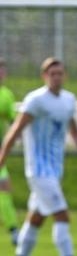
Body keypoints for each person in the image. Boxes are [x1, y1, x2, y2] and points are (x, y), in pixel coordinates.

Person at [0, 57, 77, 256]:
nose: (56, 77)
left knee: (36, 218)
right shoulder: (35, 100)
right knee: (62, 216)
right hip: (38, 171)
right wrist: (1, 160)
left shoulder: (68, 100)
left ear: (65, 75)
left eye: (59, 73)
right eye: (51, 74)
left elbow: (74, 132)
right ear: (44, 76)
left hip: (55, 170)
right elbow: (14, 131)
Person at [0, 57, 19, 245]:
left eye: (2, 69)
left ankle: (14, 230)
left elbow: (14, 122)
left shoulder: (6, 95)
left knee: (4, 189)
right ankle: (14, 230)